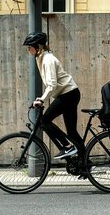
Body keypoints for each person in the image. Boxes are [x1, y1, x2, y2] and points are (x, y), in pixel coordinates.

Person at [23, 31, 83, 159]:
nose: (28, 50)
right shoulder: (42, 58)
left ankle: (68, 147)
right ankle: (85, 164)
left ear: (37, 47)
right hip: (70, 93)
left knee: (44, 121)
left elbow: (52, 84)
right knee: (72, 132)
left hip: (68, 94)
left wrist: (41, 100)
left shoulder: (48, 60)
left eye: (30, 47)